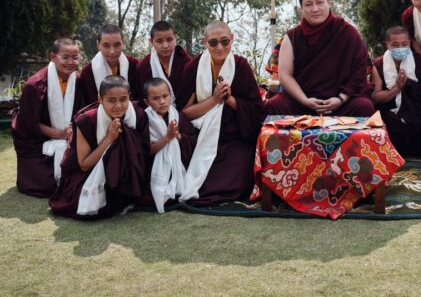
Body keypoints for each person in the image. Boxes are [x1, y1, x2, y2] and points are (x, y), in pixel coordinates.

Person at [175, 20, 263, 206]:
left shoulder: (241, 66)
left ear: (232, 40)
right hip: (201, 134)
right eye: (213, 42)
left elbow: (254, 110)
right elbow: (185, 112)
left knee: (238, 181)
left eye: (225, 41)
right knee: (202, 177)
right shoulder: (194, 67)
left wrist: (230, 99)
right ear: (205, 42)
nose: (220, 47)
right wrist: (214, 100)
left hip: (234, 135)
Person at [264, 0, 374, 117]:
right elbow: (285, 75)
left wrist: (340, 99)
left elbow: (359, 72)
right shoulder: (292, 37)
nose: (315, 9)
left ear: (329, 3)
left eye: (320, 2)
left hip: (341, 102)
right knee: (273, 106)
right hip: (301, 101)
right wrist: (305, 100)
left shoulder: (347, 32)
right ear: (302, 8)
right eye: (309, 4)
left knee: (364, 107)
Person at [49, 76, 150, 219]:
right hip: (87, 174)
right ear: (100, 99)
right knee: (89, 206)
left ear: (130, 97)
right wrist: (109, 138)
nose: (118, 106)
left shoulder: (138, 114)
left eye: (123, 99)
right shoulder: (86, 120)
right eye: (111, 100)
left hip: (126, 176)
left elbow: (143, 153)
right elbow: (84, 165)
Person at [11, 38, 84, 197]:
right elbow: (28, 124)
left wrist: (71, 133)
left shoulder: (78, 81)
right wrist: (60, 134)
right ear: (53, 56)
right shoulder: (35, 85)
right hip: (38, 141)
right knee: (46, 184)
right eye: (65, 57)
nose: (71, 62)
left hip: (70, 138)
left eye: (75, 57)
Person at [371, 26, 421, 156]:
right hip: (389, 111)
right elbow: (375, 97)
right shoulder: (378, 65)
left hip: (416, 111)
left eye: (404, 44)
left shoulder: (420, 62)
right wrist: (397, 88)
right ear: (387, 45)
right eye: (395, 45)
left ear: (410, 43)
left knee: (419, 137)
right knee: (390, 126)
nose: (400, 48)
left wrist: (410, 84)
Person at [142, 78, 198, 212]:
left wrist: (178, 136)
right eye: (155, 98)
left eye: (165, 96)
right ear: (147, 102)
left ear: (171, 96)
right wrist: (167, 138)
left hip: (178, 164)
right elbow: (144, 150)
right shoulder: (144, 120)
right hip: (152, 169)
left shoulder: (178, 117)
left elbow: (193, 141)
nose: (162, 102)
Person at [79, 25, 141, 105]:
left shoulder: (134, 66)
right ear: (98, 45)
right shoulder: (88, 72)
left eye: (117, 45)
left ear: (123, 44)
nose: (112, 51)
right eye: (106, 46)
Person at [135, 21, 192, 106]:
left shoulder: (186, 62)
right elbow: (141, 98)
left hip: (183, 112)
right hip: (152, 115)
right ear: (151, 41)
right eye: (159, 41)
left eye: (169, 40)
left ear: (175, 38)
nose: (165, 45)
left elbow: (191, 93)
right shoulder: (143, 67)